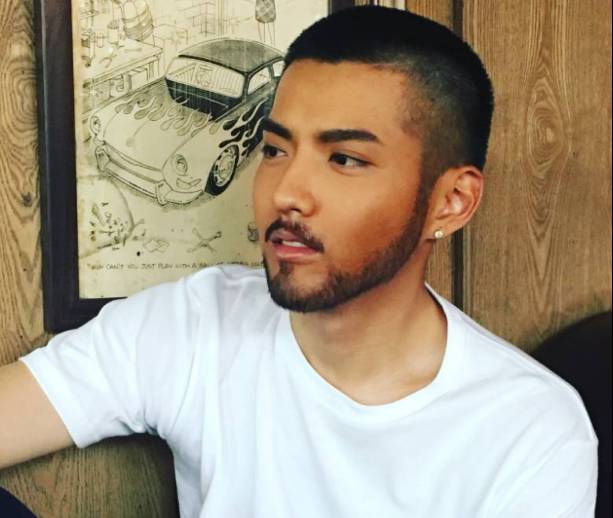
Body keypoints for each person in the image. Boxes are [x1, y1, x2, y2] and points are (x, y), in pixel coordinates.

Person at [0, 6, 598, 518]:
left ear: (451, 202)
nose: (286, 192)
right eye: (275, 149)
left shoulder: (529, 427)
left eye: (345, 159)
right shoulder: (196, 323)